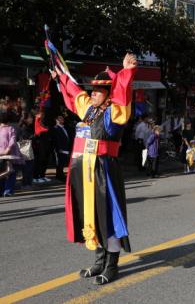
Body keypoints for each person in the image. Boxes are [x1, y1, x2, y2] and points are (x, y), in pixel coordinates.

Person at [51, 52, 137, 285]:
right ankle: (99, 261)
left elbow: (122, 97)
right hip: (84, 171)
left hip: (103, 171)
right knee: (90, 215)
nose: (93, 94)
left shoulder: (113, 113)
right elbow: (75, 92)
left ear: (108, 95)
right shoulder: (89, 109)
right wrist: (59, 76)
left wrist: (126, 72)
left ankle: (112, 265)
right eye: (93, 90)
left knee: (107, 216)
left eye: (98, 91)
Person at [0, 112, 23, 196]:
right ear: (8, 121)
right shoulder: (10, 129)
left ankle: (1, 190)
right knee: (11, 172)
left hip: (0, 154)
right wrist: (8, 149)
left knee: (2, 172)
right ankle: (8, 190)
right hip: (10, 154)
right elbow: (12, 140)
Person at [53, 115, 71, 182]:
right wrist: (59, 148)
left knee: (63, 162)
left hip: (65, 148)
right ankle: (59, 176)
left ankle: (61, 175)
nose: (62, 119)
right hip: (60, 149)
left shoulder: (64, 127)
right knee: (60, 163)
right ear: (56, 120)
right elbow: (56, 139)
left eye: (62, 118)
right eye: (60, 118)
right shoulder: (56, 128)